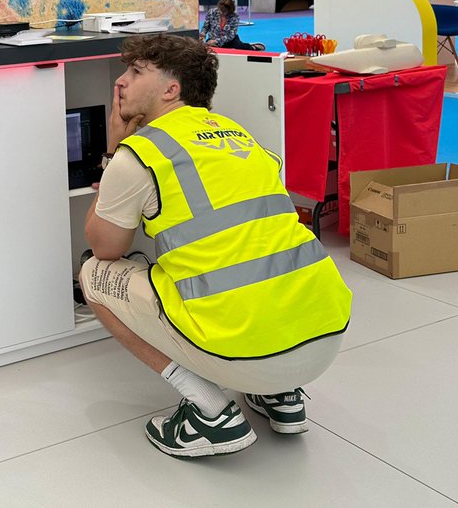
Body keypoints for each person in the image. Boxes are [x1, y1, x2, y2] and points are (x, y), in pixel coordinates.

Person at [80, 34, 352, 458]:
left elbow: (104, 247)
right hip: (323, 338)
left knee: (92, 275)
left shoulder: (141, 154)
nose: (120, 82)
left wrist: (113, 151)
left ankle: (210, 413)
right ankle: (280, 395)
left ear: (172, 90)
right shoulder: (240, 135)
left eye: (135, 72)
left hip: (246, 350)